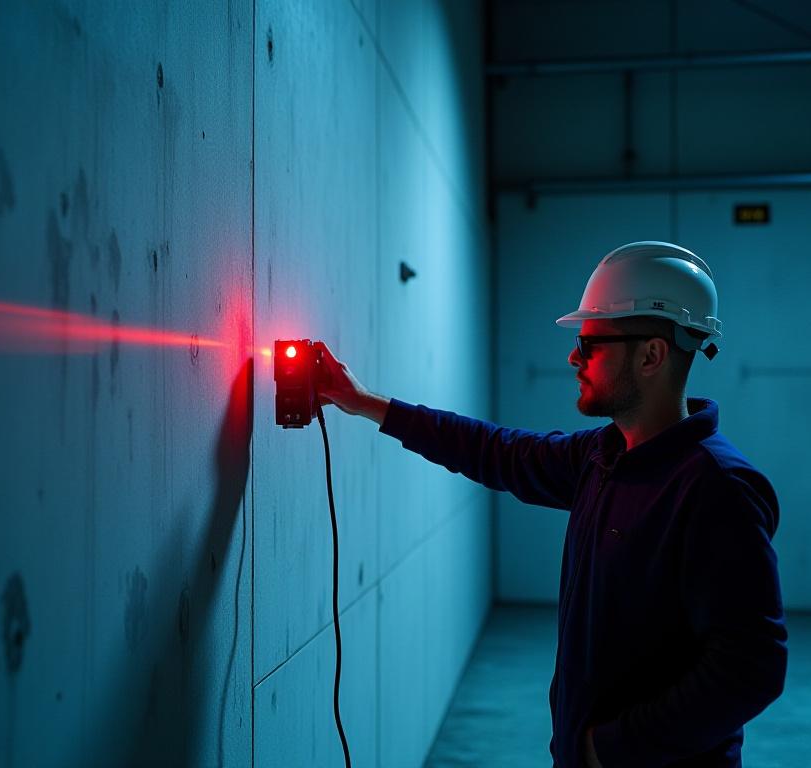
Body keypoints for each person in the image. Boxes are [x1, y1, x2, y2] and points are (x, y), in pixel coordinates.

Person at [315, 241, 787, 767]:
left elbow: (751, 668)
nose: (573, 357)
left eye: (590, 342)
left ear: (652, 354)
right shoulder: (602, 458)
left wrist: (611, 748)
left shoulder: (715, 488)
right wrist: (366, 404)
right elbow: (494, 450)